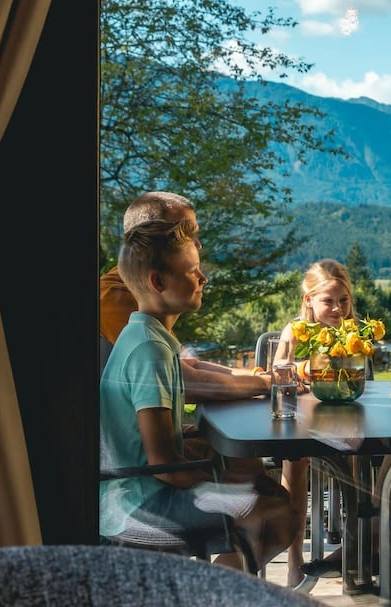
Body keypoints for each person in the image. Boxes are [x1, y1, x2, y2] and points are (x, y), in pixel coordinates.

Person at [100, 218, 298, 571]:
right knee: (275, 512)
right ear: (158, 282)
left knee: (270, 499)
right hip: (137, 504)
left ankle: (216, 591)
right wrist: (222, 481)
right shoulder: (149, 350)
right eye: (193, 272)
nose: (203, 278)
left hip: (135, 490)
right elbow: (164, 465)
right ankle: (215, 595)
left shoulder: (145, 337)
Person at [100, 191, 270, 401]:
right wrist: (265, 384)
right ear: (152, 235)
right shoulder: (113, 297)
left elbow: (188, 363)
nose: (197, 245)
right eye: (185, 233)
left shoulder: (149, 300)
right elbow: (183, 382)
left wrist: (262, 376)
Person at [271, 259, 358, 587]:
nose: (337, 309)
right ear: (309, 300)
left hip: (344, 418)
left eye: (343, 300)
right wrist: (303, 368)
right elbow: (277, 374)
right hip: (303, 421)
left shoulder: (352, 333)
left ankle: (356, 549)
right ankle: (295, 560)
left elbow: (359, 379)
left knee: (362, 458)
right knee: (295, 462)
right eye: (328, 301)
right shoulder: (295, 332)